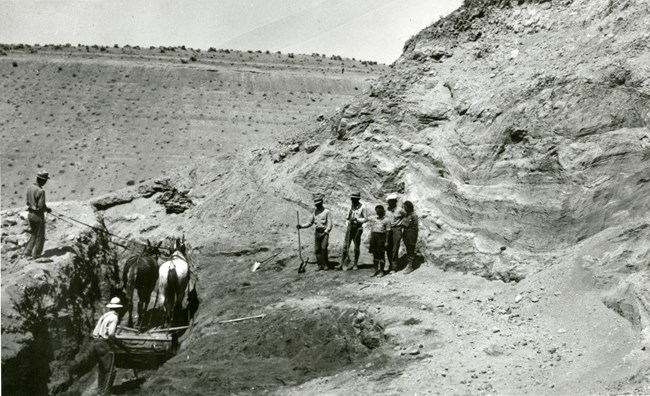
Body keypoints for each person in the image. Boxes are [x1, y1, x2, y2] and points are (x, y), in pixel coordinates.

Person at [65, 297, 123, 395]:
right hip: (104, 343)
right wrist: (115, 343)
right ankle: (106, 392)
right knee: (111, 369)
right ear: (118, 308)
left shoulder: (104, 316)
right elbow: (111, 333)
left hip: (96, 342)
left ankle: (100, 390)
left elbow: (96, 330)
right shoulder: (114, 317)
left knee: (102, 367)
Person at [297, 194, 333, 271]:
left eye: (318, 204)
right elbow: (310, 223)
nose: (317, 205)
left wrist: (326, 231)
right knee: (317, 249)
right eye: (316, 204)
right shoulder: (315, 212)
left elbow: (330, 224)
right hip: (317, 233)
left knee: (323, 248)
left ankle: (325, 264)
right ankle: (320, 265)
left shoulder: (327, 212)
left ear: (321, 203)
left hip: (324, 233)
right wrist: (301, 226)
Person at [23, 170, 52, 259]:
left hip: (30, 214)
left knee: (34, 233)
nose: (46, 182)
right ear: (42, 180)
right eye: (45, 180)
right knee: (40, 235)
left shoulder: (30, 188)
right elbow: (40, 206)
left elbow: (28, 202)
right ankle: (37, 254)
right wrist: (47, 209)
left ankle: (27, 251)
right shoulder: (41, 191)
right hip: (38, 216)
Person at [337, 192, 370, 271]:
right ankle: (342, 263)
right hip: (350, 228)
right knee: (345, 246)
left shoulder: (363, 207)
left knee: (356, 247)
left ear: (358, 199)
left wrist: (357, 220)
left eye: (354, 199)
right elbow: (347, 218)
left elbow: (366, 219)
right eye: (352, 199)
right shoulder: (351, 207)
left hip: (357, 228)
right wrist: (348, 223)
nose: (352, 200)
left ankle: (355, 264)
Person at [385, 193, 406, 274]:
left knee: (395, 249)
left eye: (392, 201)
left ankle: (394, 267)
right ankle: (390, 265)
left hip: (397, 230)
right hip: (388, 230)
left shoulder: (400, 210)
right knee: (388, 249)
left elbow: (405, 216)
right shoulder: (387, 210)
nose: (391, 203)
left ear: (395, 201)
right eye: (389, 201)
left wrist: (402, 225)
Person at [368, 205, 391, 277]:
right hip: (374, 237)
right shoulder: (374, 219)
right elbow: (372, 229)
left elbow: (388, 232)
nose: (377, 213)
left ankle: (381, 271)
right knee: (375, 255)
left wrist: (386, 241)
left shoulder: (386, 220)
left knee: (381, 255)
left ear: (382, 211)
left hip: (381, 238)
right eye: (376, 211)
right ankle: (375, 270)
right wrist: (370, 238)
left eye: (379, 211)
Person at [401, 201, 419, 274]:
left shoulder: (414, 215)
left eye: (405, 207)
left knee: (411, 248)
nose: (404, 208)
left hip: (411, 233)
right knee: (408, 248)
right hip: (406, 233)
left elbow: (415, 227)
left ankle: (411, 266)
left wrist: (414, 236)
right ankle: (409, 264)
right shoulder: (406, 215)